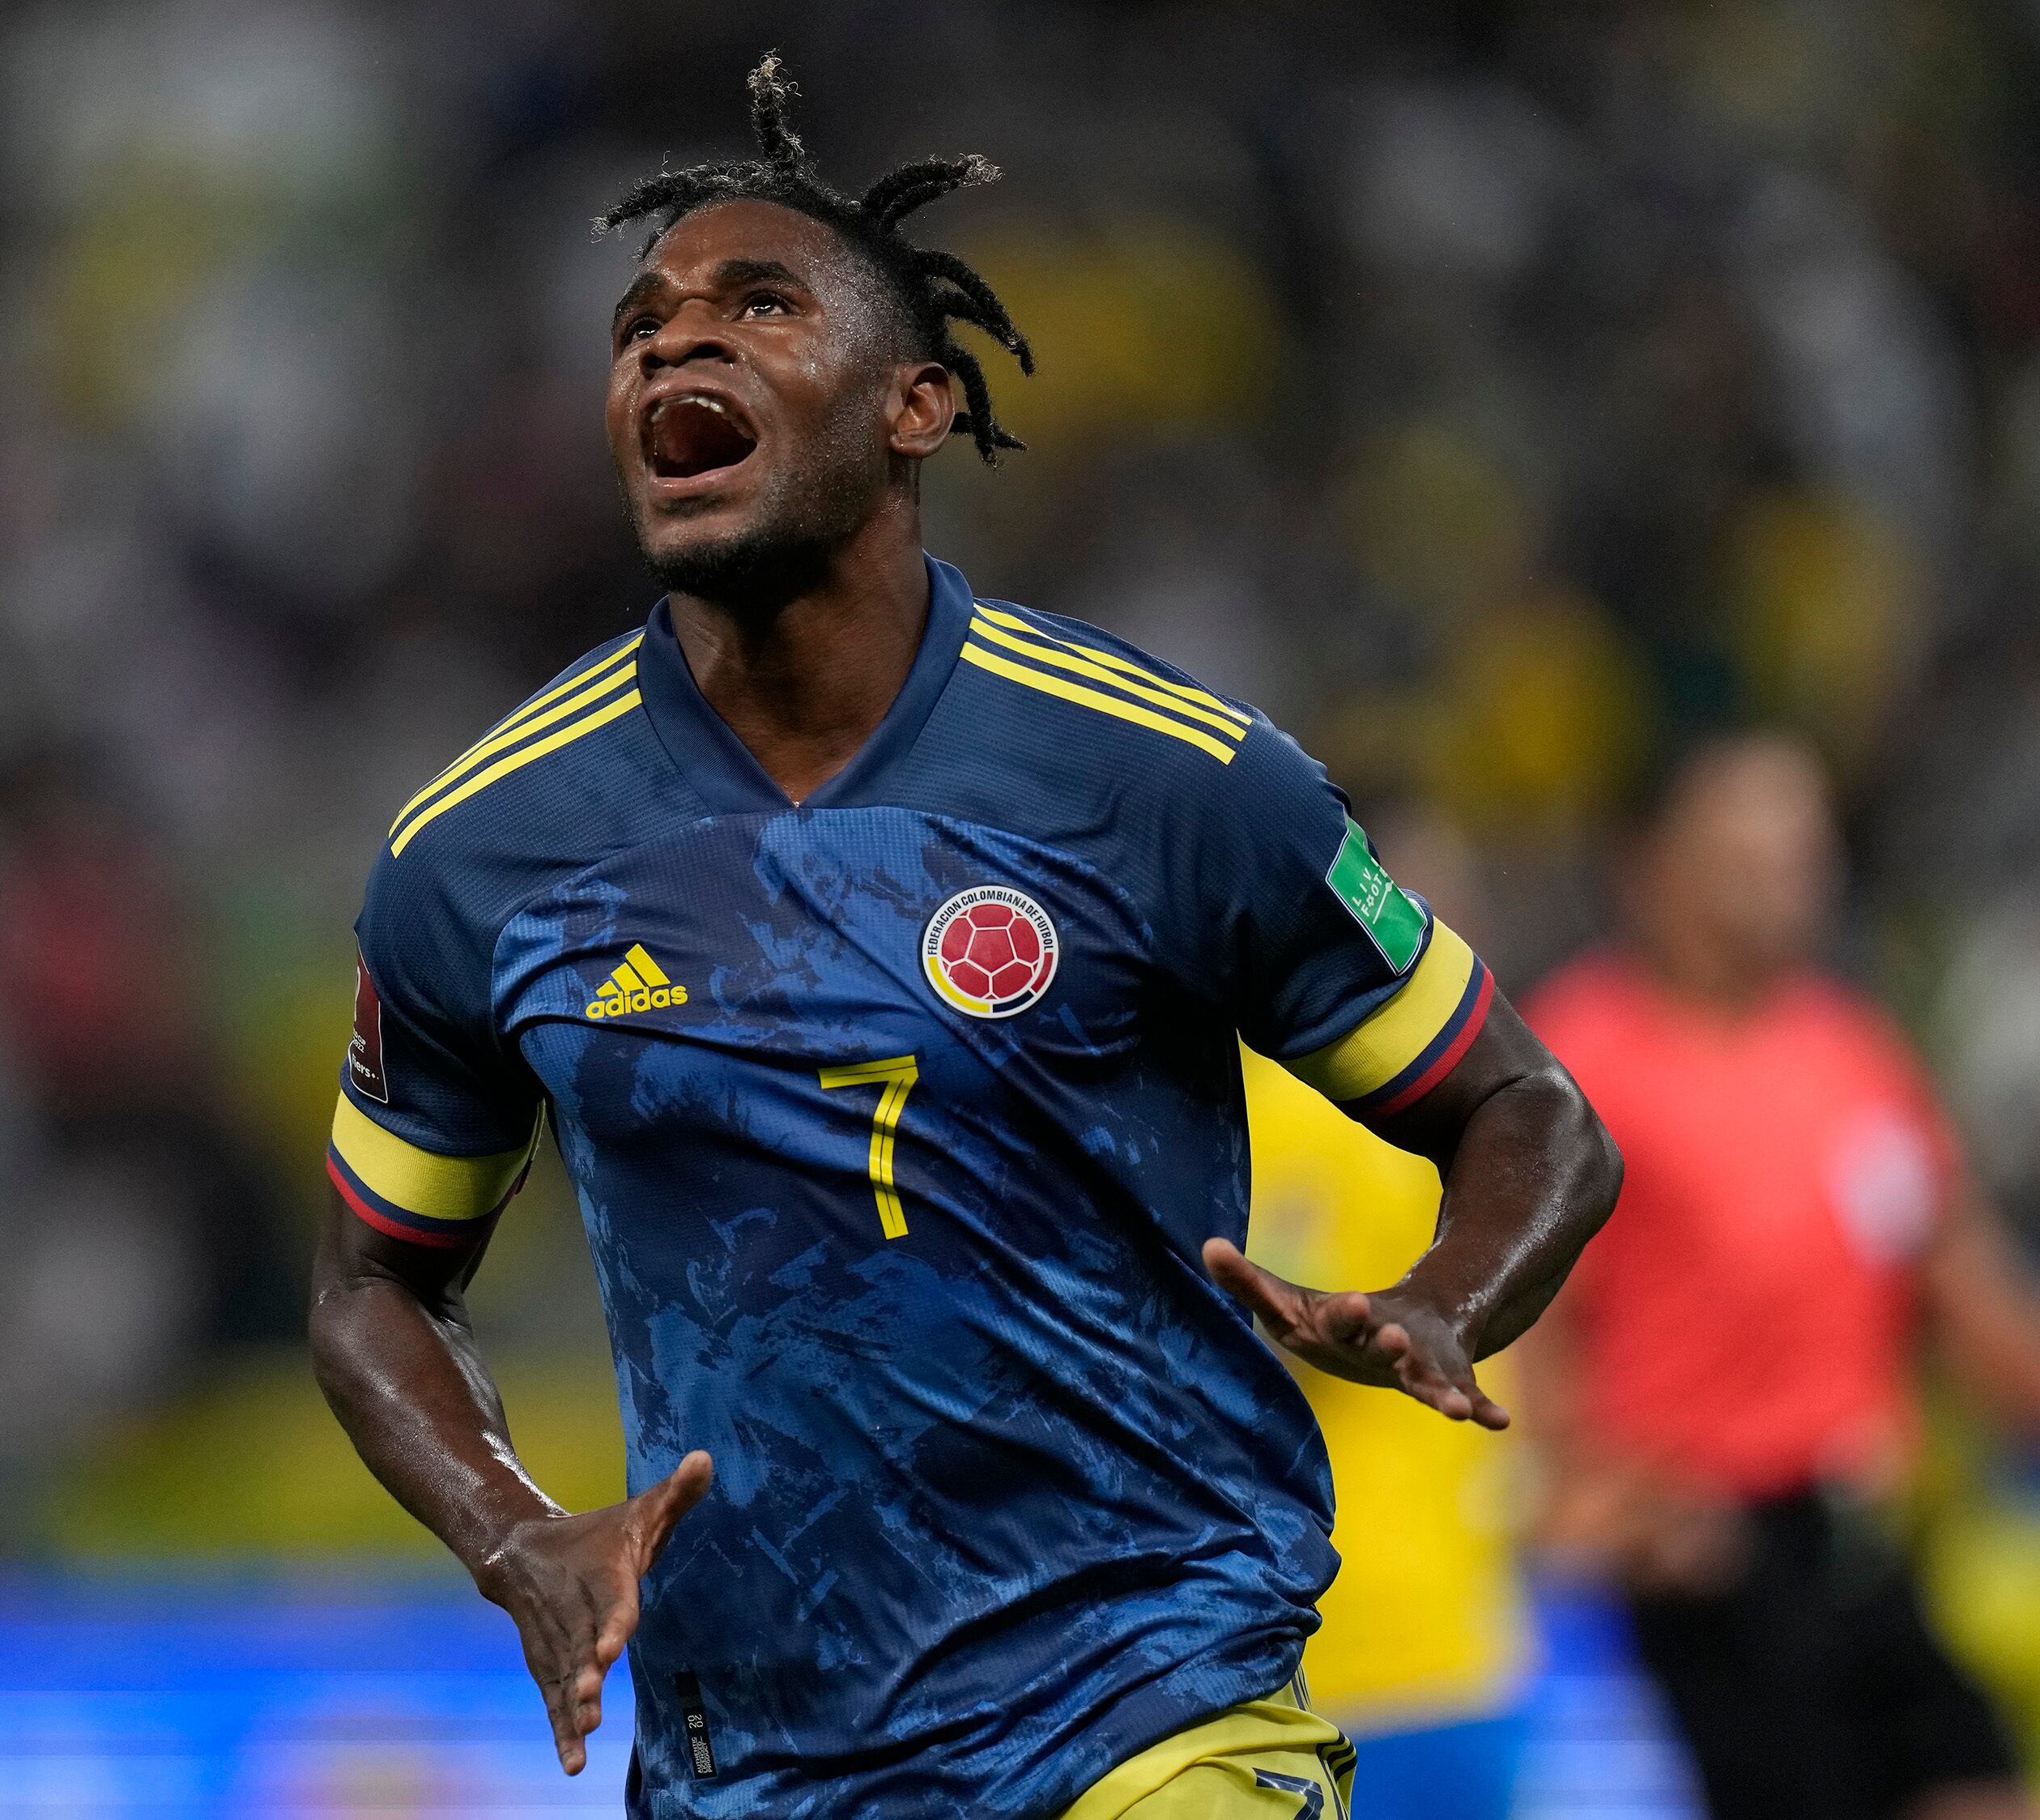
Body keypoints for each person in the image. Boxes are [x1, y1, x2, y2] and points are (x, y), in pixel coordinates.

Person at [307, 57, 1622, 1819]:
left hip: (1152, 1703)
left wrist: (1445, 1300)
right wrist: (514, 1529)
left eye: (755, 304)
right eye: (639, 324)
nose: (668, 347)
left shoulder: (1162, 773)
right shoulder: (475, 850)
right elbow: (374, 1276)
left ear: (914, 402)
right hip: (749, 1764)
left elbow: (1527, 1110)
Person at [1524, 733, 2040, 1820]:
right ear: (1651, 865)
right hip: (1704, 1552)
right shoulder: (1585, 1058)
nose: (1783, 888)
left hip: (1857, 1532)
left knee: (1982, 1778)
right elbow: (1524, 1326)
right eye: (1744, 858)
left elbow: (1961, 1278)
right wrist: (1595, 1502)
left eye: (1803, 857)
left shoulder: (1851, 1050)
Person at [1241, 812, 1534, 1820]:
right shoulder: (1253, 1102)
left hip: (1454, 1634)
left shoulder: (1491, 1112)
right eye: (1406, 911)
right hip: (1319, 1642)